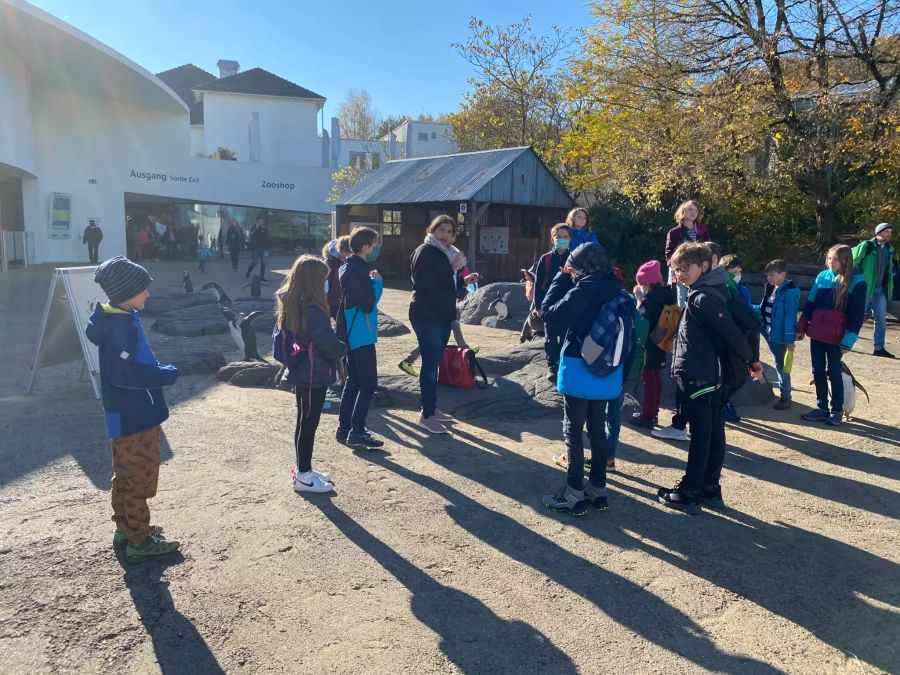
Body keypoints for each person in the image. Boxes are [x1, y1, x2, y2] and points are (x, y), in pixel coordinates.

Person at [85, 256, 180, 564]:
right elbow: (124, 375)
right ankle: (139, 539)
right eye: (144, 289)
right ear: (128, 292)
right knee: (139, 476)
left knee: (124, 475)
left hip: (121, 414)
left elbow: (128, 367)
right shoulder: (122, 327)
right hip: (135, 415)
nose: (148, 295)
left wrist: (156, 368)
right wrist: (164, 374)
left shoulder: (117, 319)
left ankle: (125, 528)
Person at [657, 242, 760, 515]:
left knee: (702, 436)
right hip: (712, 376)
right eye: (677, 270)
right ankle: (710, 488)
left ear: (704, 265)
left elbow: (731, 333)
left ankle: (689, 492)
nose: (681, 274)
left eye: (686, 268)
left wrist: (753, 361)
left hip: (700, 375)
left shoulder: (703, 297)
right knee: (713, 433)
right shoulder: (717, 290)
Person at [540, 242, 623, 515]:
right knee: (597, 428)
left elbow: (548, 312)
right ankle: (598, 489)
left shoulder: (582, 290)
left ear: (584, 267)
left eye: (575, 268)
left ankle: (574, 493)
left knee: (573, 430)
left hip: (579, 364)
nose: (572, 272)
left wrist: (561, 277)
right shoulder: (617, 288)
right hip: (608, 370)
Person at [275, 255, 348, 493]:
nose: (327, 284)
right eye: (324, 280)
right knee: (309, 422)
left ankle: (303, 469)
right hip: (311, 374)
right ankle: (304, 476)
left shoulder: (294, 303)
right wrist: (344, 348)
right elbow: (329, 345)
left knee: (303, 420)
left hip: (302, 372)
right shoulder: (313, 311)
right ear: (314, 282)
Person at [797, 245, 867, 426]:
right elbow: (811, 303)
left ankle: (836, 410)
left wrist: (848, 340)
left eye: (835, 259)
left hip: (837, 337)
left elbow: (857, 315)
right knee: (817, 370)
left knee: (834, 373)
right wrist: (803, 326)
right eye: (829, 259)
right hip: (818, 333)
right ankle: (821, 407)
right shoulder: (822, 277)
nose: (831, 262)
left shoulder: (857, 281)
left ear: (845, 260)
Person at [408, 215, 462, 434]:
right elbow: (425, 281)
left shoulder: (444, 253)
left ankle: (431, 408)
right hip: (426, 314)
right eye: (442, 230)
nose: (446, 235)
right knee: (430, 366)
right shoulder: (426, 251)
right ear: (432, 230)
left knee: (435, 363)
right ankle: (427, 415)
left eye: (450, 232)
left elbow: (446, 285)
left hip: (441, 314)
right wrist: (450, 268)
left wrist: (461, 279)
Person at [336, 226, 385, 449]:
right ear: (365, 247)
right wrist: (377, 283)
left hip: (350, 333)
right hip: (361, 334)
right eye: (374, 245)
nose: (375, 249)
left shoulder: (346, 268)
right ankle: (357, 431)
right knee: (368, 384)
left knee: (352, 381)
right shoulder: (360, 270)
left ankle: (344, 428)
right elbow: (367, 304)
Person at [629, 259, 677, 428]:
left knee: (648, 378)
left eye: (642, 284)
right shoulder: (669, 295)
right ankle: (653, 411)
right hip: (663, 342)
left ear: (647, 284)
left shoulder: (650, 301)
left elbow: (640, 316)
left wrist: (639, 299)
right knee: (657, 377)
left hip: (650, 344)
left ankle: (648, 415)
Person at [754, 259, 800, 410]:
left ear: (782, 274)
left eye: (772, 275)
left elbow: (790, 317)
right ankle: (784, 394)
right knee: (778, 363)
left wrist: (789, 339)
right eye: (768, 276)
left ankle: (786, 396)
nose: (769, 278)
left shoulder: (790, 292)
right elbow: (763, 307)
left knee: (781, 366)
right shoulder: (771, 288)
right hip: (768, 331)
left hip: (780, 335)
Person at [535, 223, 572, 382]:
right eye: (558, 237)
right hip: (549, 303)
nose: (562, 240)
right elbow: (538, 283)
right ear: (552, 239)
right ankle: (552, 365)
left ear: (570, 239)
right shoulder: (546, 258)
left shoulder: (574, 258)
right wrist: (538, 305)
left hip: (568, 303)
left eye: (565, 237)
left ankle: (563, 363)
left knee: (565, 335)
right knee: (550, 336)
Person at [852, 222, 895, 358]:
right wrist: (857, 281)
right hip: (864, 288)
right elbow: (853, 261)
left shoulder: (890, 250)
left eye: (890, 232)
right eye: (886, 231)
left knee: (881, 319)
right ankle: (844, 343)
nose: (889, 234)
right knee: (856, 317)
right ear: (879, 232)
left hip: (879, 289)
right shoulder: (867, 246)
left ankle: (879, 348)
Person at [664, 199, 710, 308]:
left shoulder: (703, 230)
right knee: (682, 298)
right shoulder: (674, 232)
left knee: (700, 296)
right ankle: (683, 323)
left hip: (699, 270)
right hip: (682, 270)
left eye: (696, 210)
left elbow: (709, 249)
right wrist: (676, 269)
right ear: (683, 211)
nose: (693, 212)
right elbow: (669, 254)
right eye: (690, 209)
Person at [324, 235, 352, 319]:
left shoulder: (349, 260)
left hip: (342, 299)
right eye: (343, 257)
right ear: (338, 251)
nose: (344, 259)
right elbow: (325, 284)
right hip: (332, 300)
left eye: (347, 257)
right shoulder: (329, 263)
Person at [246, 216, 269, 281]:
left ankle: (262, 277)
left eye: (262, 221)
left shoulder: (264, 229)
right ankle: (248, 272)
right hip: (255, 248)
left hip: (263, 248)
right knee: (255, 262)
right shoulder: (252, 228)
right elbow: (251, 235)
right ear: (257, 221)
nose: (261, 223)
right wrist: (256, 228)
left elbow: (266, 239)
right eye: (260, 221)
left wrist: (267, 248)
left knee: (263, 262)